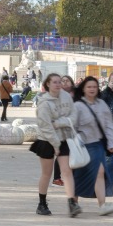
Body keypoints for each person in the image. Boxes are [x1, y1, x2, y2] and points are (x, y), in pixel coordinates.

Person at [30, 73, 80, 216]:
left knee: (67, 171)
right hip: (46, 140)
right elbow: (45, 126)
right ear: (47, 85)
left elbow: (73, 115)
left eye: (60, 82)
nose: (58, 84)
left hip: (64, 137)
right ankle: (42, 203)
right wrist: (55, 144)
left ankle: (72, 203)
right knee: (47, 173)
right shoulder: (44, 102)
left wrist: (59, 123)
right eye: (55, 82)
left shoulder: (66, 97)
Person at [70, 76, 113, 215]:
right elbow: (72, 126)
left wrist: (111, 143)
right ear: (83, 89)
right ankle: (74, 204)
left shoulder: (102, 105)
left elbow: (109, 125)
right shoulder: (78, 106)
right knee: (78, 176)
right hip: (82, 146)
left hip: (97, 145)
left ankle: (102, 205)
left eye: (94, 87)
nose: (92, 89)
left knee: (100, 172)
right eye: (89, 87)